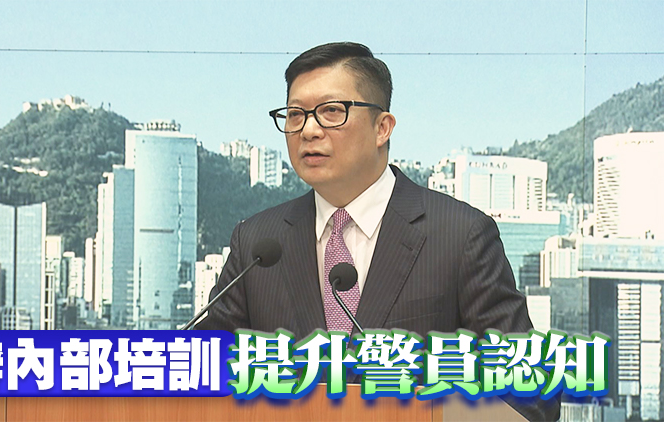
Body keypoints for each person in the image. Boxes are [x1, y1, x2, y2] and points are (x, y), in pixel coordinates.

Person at [197, 42, 560, 421]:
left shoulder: (460, 235)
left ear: (382, 128)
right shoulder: (258, 243)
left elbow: (530, 393)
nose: (308, 130)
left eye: (331, 111)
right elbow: (200, 367)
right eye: (295, 114)